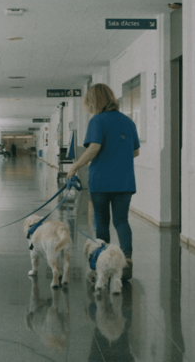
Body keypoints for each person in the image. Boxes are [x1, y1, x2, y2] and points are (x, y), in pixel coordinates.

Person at [67, 83, 139, 280]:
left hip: (101, 180)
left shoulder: (97, 120)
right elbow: (135, 151)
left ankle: (102, 259)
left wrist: (74, 167)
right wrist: (118, 157)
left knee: (102, 221)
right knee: (122, 221)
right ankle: (128, 260)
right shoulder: (128, 121)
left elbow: (93, 148)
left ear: (94, 102)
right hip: (125, 181)